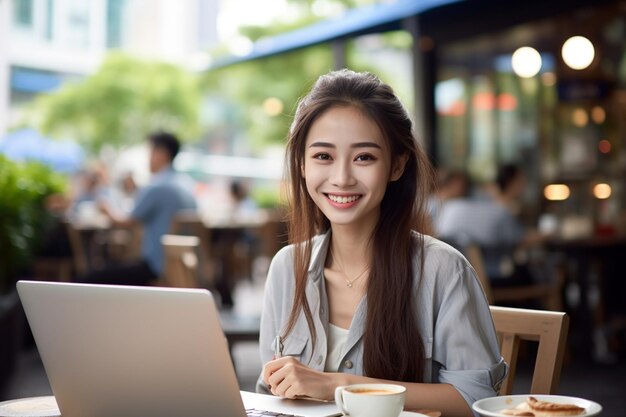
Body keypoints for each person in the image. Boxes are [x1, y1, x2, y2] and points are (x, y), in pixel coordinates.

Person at [256, 69, 506, 417]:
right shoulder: (287, 267)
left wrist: (337, 386)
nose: (342, 178)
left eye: (364, 157)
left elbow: (475, 401)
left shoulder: (442, 270)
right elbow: (270, 393)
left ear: (397, 165)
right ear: (301, 163)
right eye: (323, 156)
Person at [77, 131, 197, 286]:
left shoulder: (156, 186)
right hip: (184, 266)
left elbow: (125, 222)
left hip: (156, 266)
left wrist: (106, 208)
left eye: (150, 152)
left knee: (89, 278)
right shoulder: (187, 185)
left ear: (161, 154)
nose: (148, 158)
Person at [435, 163, 545, 286]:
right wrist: (547, 235)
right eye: (521, 182)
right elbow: (520, 240)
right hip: (495, 278)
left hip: (461, 279)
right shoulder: (499, 212)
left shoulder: (449, 210)